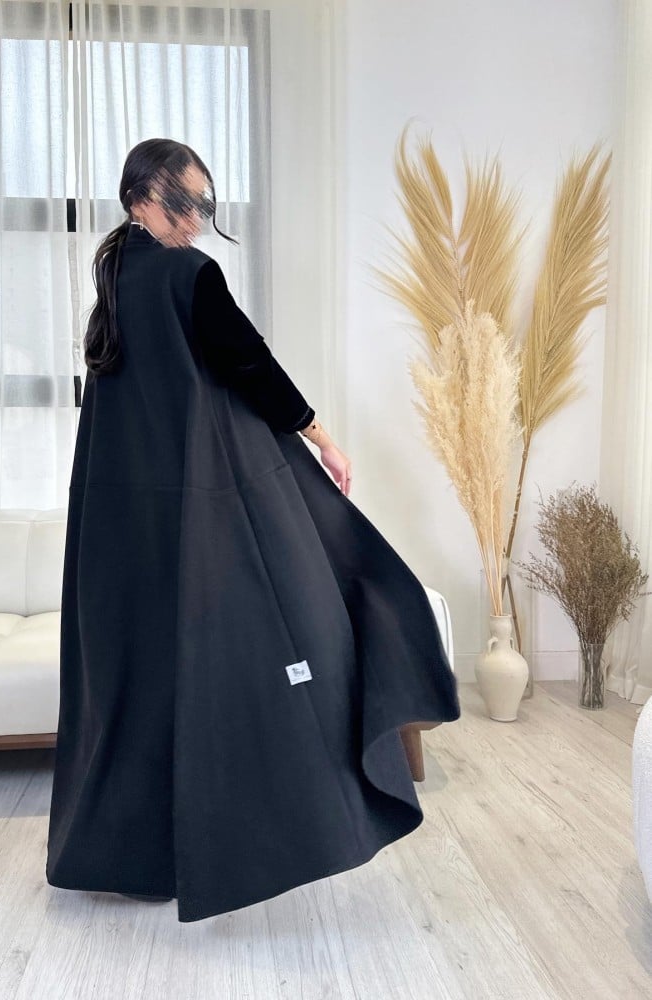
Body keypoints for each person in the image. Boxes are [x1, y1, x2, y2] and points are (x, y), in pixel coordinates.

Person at [46, 138, 461, 924]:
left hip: (123, 522)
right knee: (299, 619)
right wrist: (322, 437)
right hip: (192, 512)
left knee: (141, 682)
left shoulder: (118, 276)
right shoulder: (187, 276)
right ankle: (284, 823)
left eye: (204, 205)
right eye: (182, 203)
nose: (196, 220)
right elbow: (249, 363)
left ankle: (138, 858)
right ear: (139, 199)